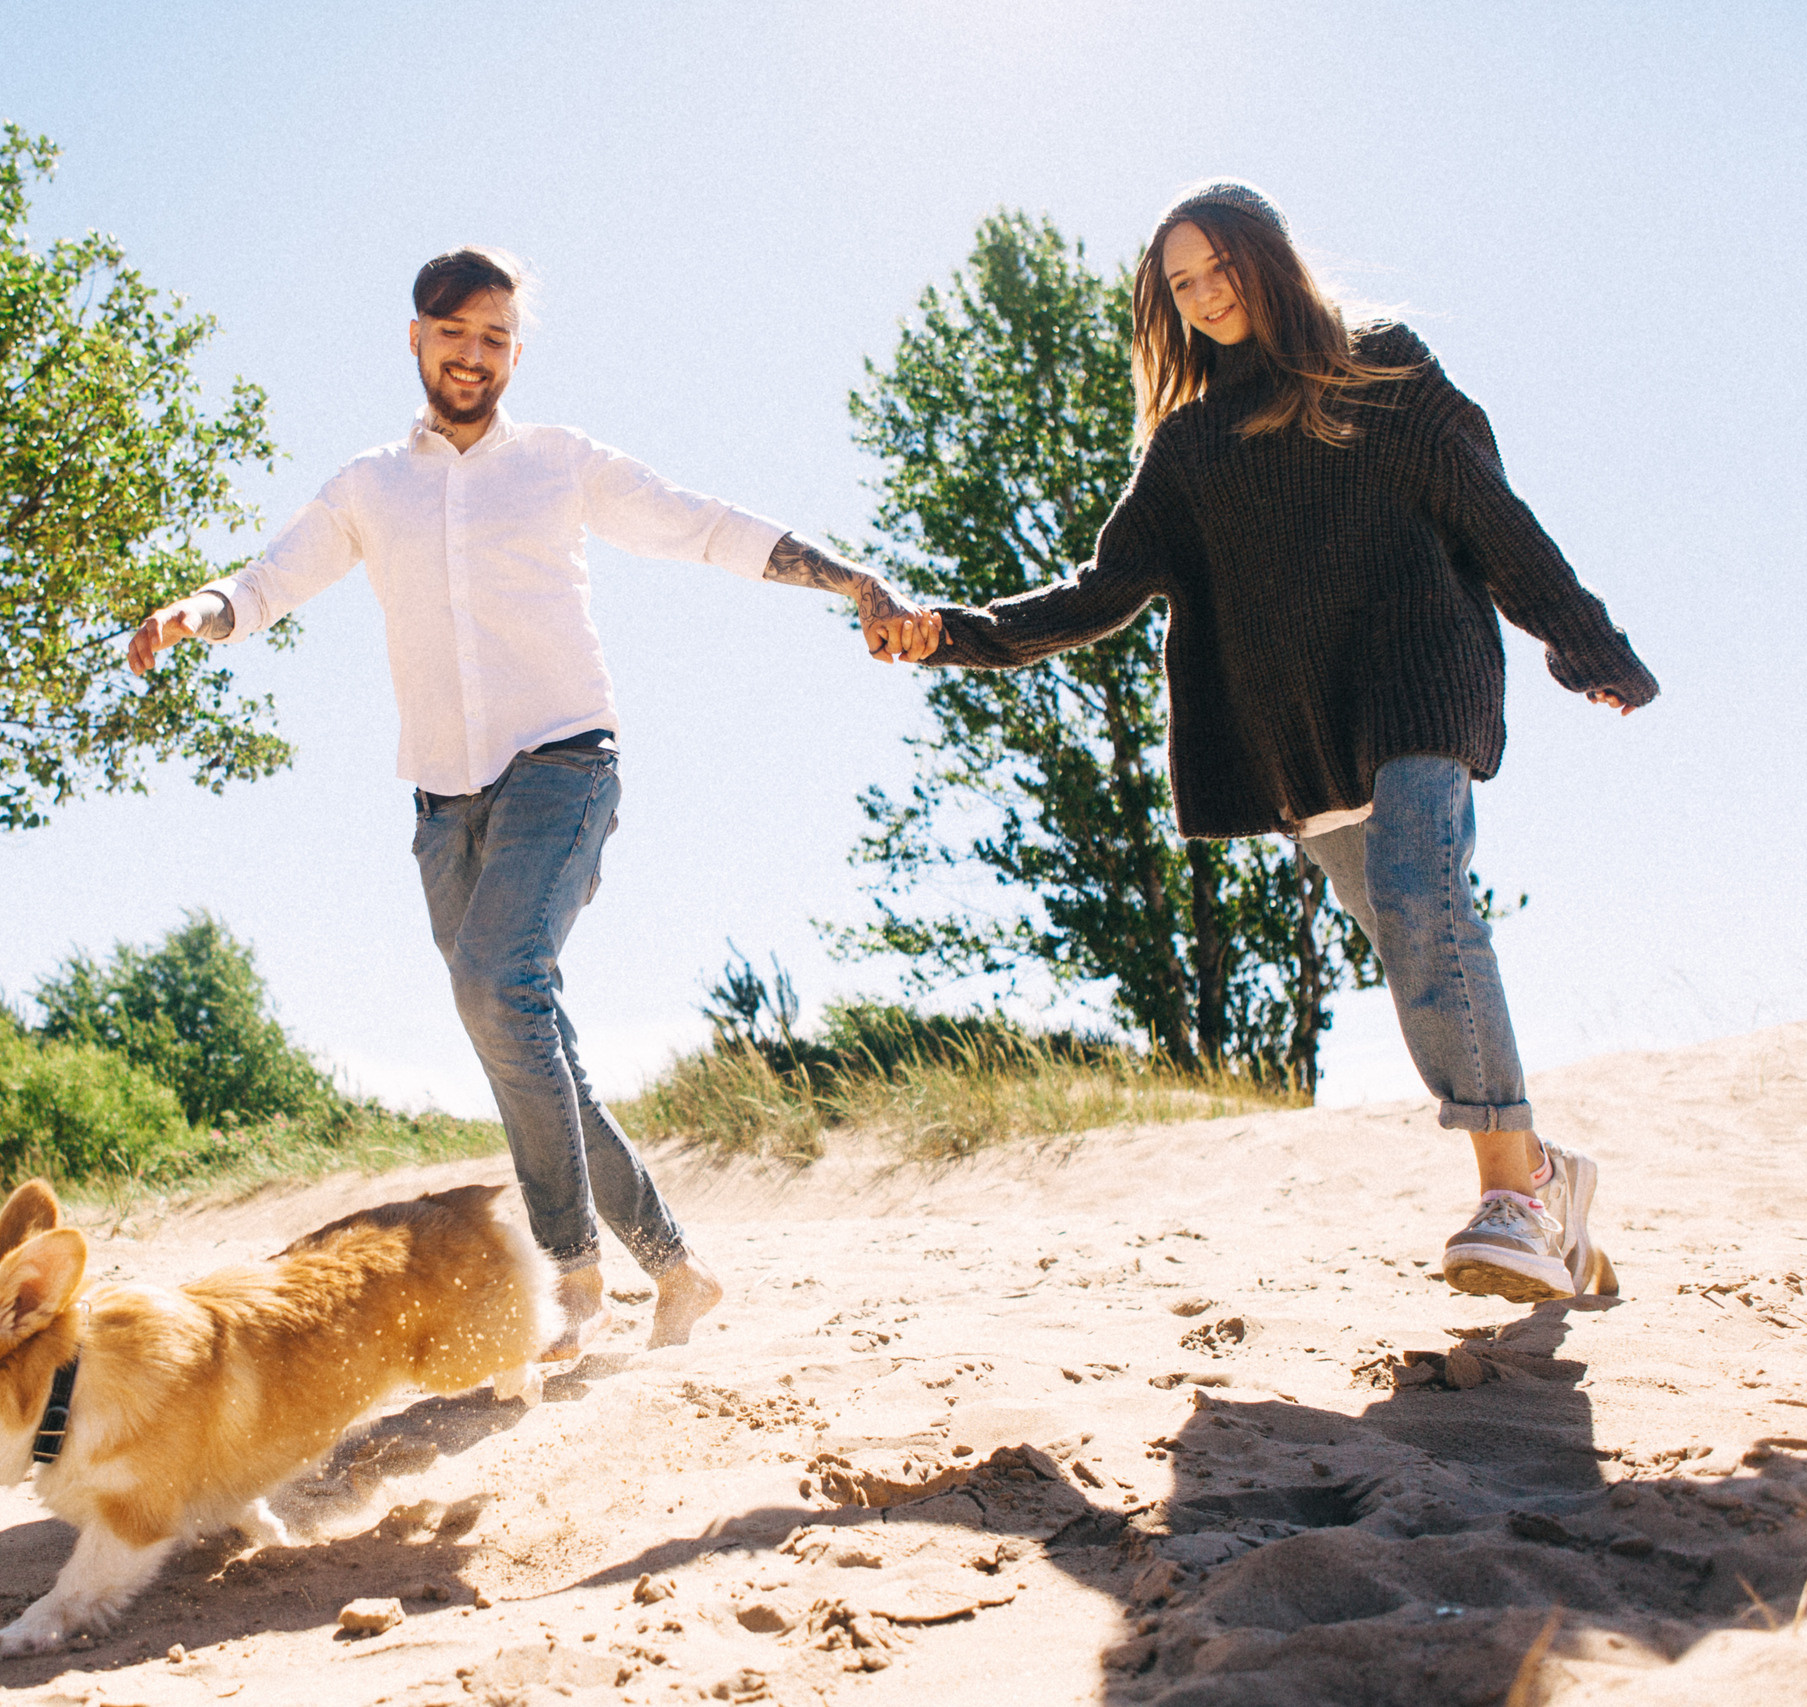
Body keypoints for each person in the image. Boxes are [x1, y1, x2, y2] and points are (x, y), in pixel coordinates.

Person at [129, 246, 937, 1356]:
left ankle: (570, 1277)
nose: (473, 354)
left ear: (517, 348)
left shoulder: (560, 463)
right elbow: (273, 578)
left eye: (496, 336)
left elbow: (697, 523)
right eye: (453, 332)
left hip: (563, 762)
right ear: (415, 337)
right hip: (440, 800)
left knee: (494, 983)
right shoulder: (371, 485)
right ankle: (677, 1268)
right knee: (521, 1029)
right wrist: (198, 612)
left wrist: (853, 580)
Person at [887, 181, 1657, 1304]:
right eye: (1180, 285)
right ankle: (1547, 1175)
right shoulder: (1191, 445)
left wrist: (1583, 643)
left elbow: (1491, 516)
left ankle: (1509, 1192)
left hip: (1420, 682)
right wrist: (948, 634)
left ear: (1268, 260)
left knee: (1419, 896)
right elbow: (1102, 592)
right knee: (1407, 937)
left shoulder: (1379, 367)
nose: (1202, 298)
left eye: (1219, 270)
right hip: (1298, 731)